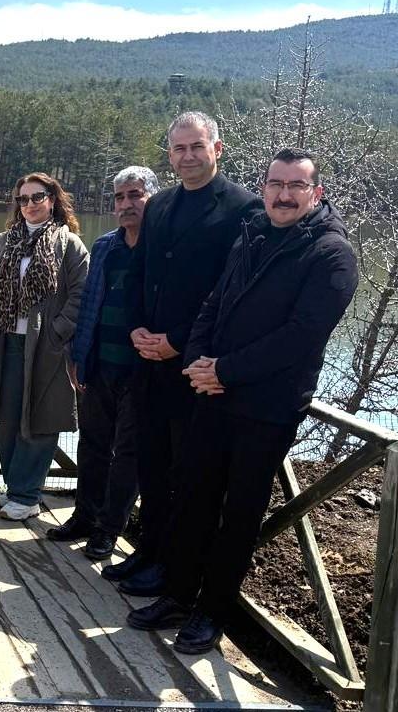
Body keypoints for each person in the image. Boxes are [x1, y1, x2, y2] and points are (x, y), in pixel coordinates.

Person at [128, 147, 357, 654]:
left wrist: (224, 371)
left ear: (315, 193)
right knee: (193, 499)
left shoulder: (331, 254)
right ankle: (178, 594)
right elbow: (214, 301)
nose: (283, 194)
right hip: (212, 395)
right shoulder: (253, 232)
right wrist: (197, 360)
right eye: (275, 183)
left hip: (267, 408)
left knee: (238, 516)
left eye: (296, 186)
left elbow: (301, 336)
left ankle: (212, 614)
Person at [115, 111, 260, 596]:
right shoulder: (158, 207)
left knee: (189, 472)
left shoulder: (244, 208)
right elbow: (140, 271)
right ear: (169, 155)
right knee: (151, 463)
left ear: (217, 148)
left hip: (194, 364)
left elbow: (230, 291)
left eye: (197, 147)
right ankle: (149, 549)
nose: (188, 156)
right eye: (179, 148)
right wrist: (137, 327)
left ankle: (176, 568)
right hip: (147, 359)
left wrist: (177, 341)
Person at [49, 166, 159, 559]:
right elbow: (89, 308)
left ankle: (110, 529)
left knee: (127, 452)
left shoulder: (162, 248)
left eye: (135, 195)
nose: (127, 204)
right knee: (92, 444)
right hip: (99, 365)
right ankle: (85, 515)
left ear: (153, 197)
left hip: (143, 370)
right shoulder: (106, 246)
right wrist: (79, 356)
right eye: (120, 198)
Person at [0, 173, 90, 521]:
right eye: (22, 199)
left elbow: (81, 295)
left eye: (36, 197)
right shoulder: (0, 243)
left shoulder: (69, 245)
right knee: (6, 419)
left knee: (39, 419)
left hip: (46, 348)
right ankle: (14, 487)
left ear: (52, 200)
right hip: (6, 343)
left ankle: (27, 494)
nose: (29, 205)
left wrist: (57, 331)